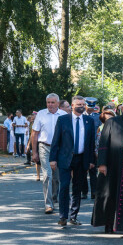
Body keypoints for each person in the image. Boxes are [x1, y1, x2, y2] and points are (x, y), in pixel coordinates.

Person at [92, 98, 123, 237]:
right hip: (112, 164)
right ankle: (108, 223)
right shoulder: (111, 122)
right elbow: (103, 143)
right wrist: (102, 163)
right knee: (109, 194)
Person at [50, 95, 96, 226]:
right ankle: (63, 216)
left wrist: (91, 160)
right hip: (65, 158)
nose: (81, 106)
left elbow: (91, 143)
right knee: (64, 186)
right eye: (78, 104)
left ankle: (73, 216)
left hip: (82, 158)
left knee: (77, 188)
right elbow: (56, 140)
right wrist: (52, 159)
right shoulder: (63, 120)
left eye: (83, 104)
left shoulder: (89, 121)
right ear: (72, 105)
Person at [32, 93, 67, 214]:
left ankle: (54, 197)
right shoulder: (41, 114)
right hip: (44, 147)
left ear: (58, 103)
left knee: (56, 176)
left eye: (53, 102)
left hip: (59, 149)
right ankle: (48, 204)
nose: (50, 105)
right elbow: (35, 133)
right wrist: (34, 152)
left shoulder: (63, 115)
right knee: (47, 175)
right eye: (48, 102)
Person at [83, 97, 100, 200]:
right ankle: (84, 191)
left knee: (93, 170)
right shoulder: (80, 116)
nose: (90, 109)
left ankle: (94, 191)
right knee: (83, 170)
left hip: (94, 147)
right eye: (89, 107)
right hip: (83, 147)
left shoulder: (98, 117)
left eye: (92, 108)